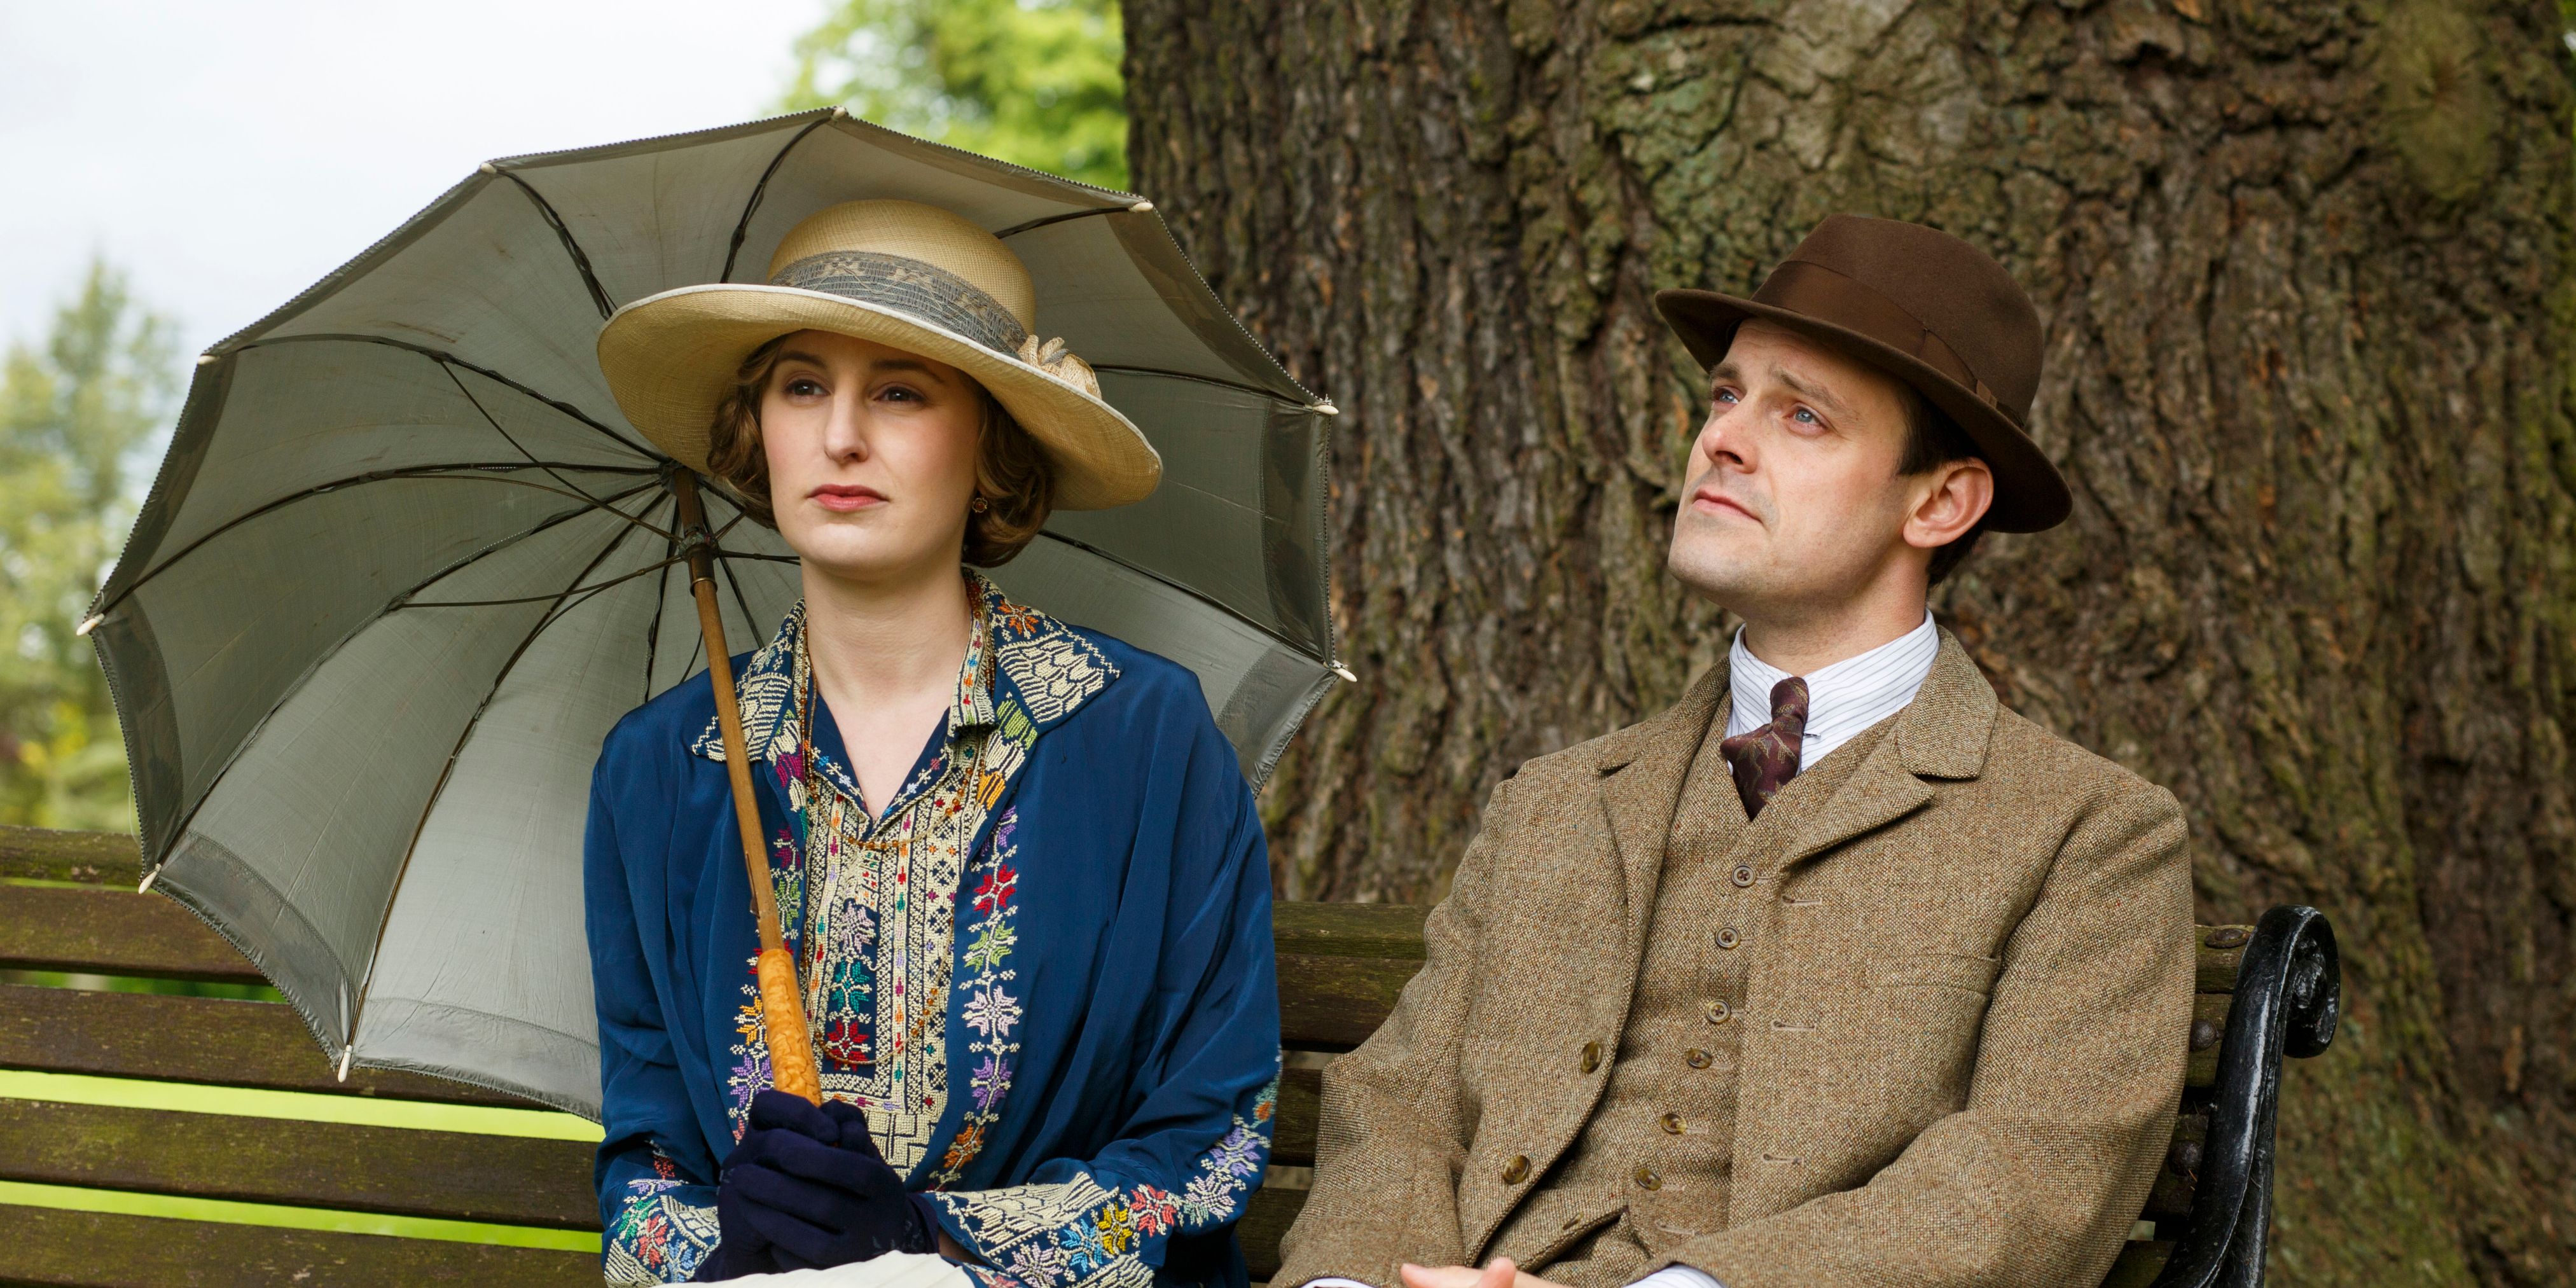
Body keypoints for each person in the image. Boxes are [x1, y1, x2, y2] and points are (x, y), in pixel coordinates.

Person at [1273, 216, 2195, 1288]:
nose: (1721, 437)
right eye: (1724, 394)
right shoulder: (1554, 802)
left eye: (1801, 415)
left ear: (1940, 501)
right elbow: (1398, 1102)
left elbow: (2026, 1184)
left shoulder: (2090, 834)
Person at [583, 200, 1281, 1286]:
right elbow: (644, 1152)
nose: (840, 435)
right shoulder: (658, 766)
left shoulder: (1141, 731)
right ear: (753, 427)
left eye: (899, 391)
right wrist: (729, 1242)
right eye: (801, 385)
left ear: (991, 443)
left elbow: (1212, 1131)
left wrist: (928, 1247)